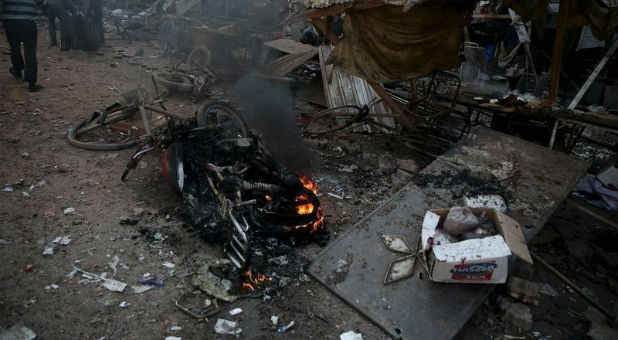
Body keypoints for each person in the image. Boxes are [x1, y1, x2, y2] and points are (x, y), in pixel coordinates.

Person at [0, 0, 46, 91]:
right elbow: (42, 4)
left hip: (11, 22)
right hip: (28, 22)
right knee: (30, 53)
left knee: (14, 49)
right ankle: (31, 83)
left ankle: (17, 71)